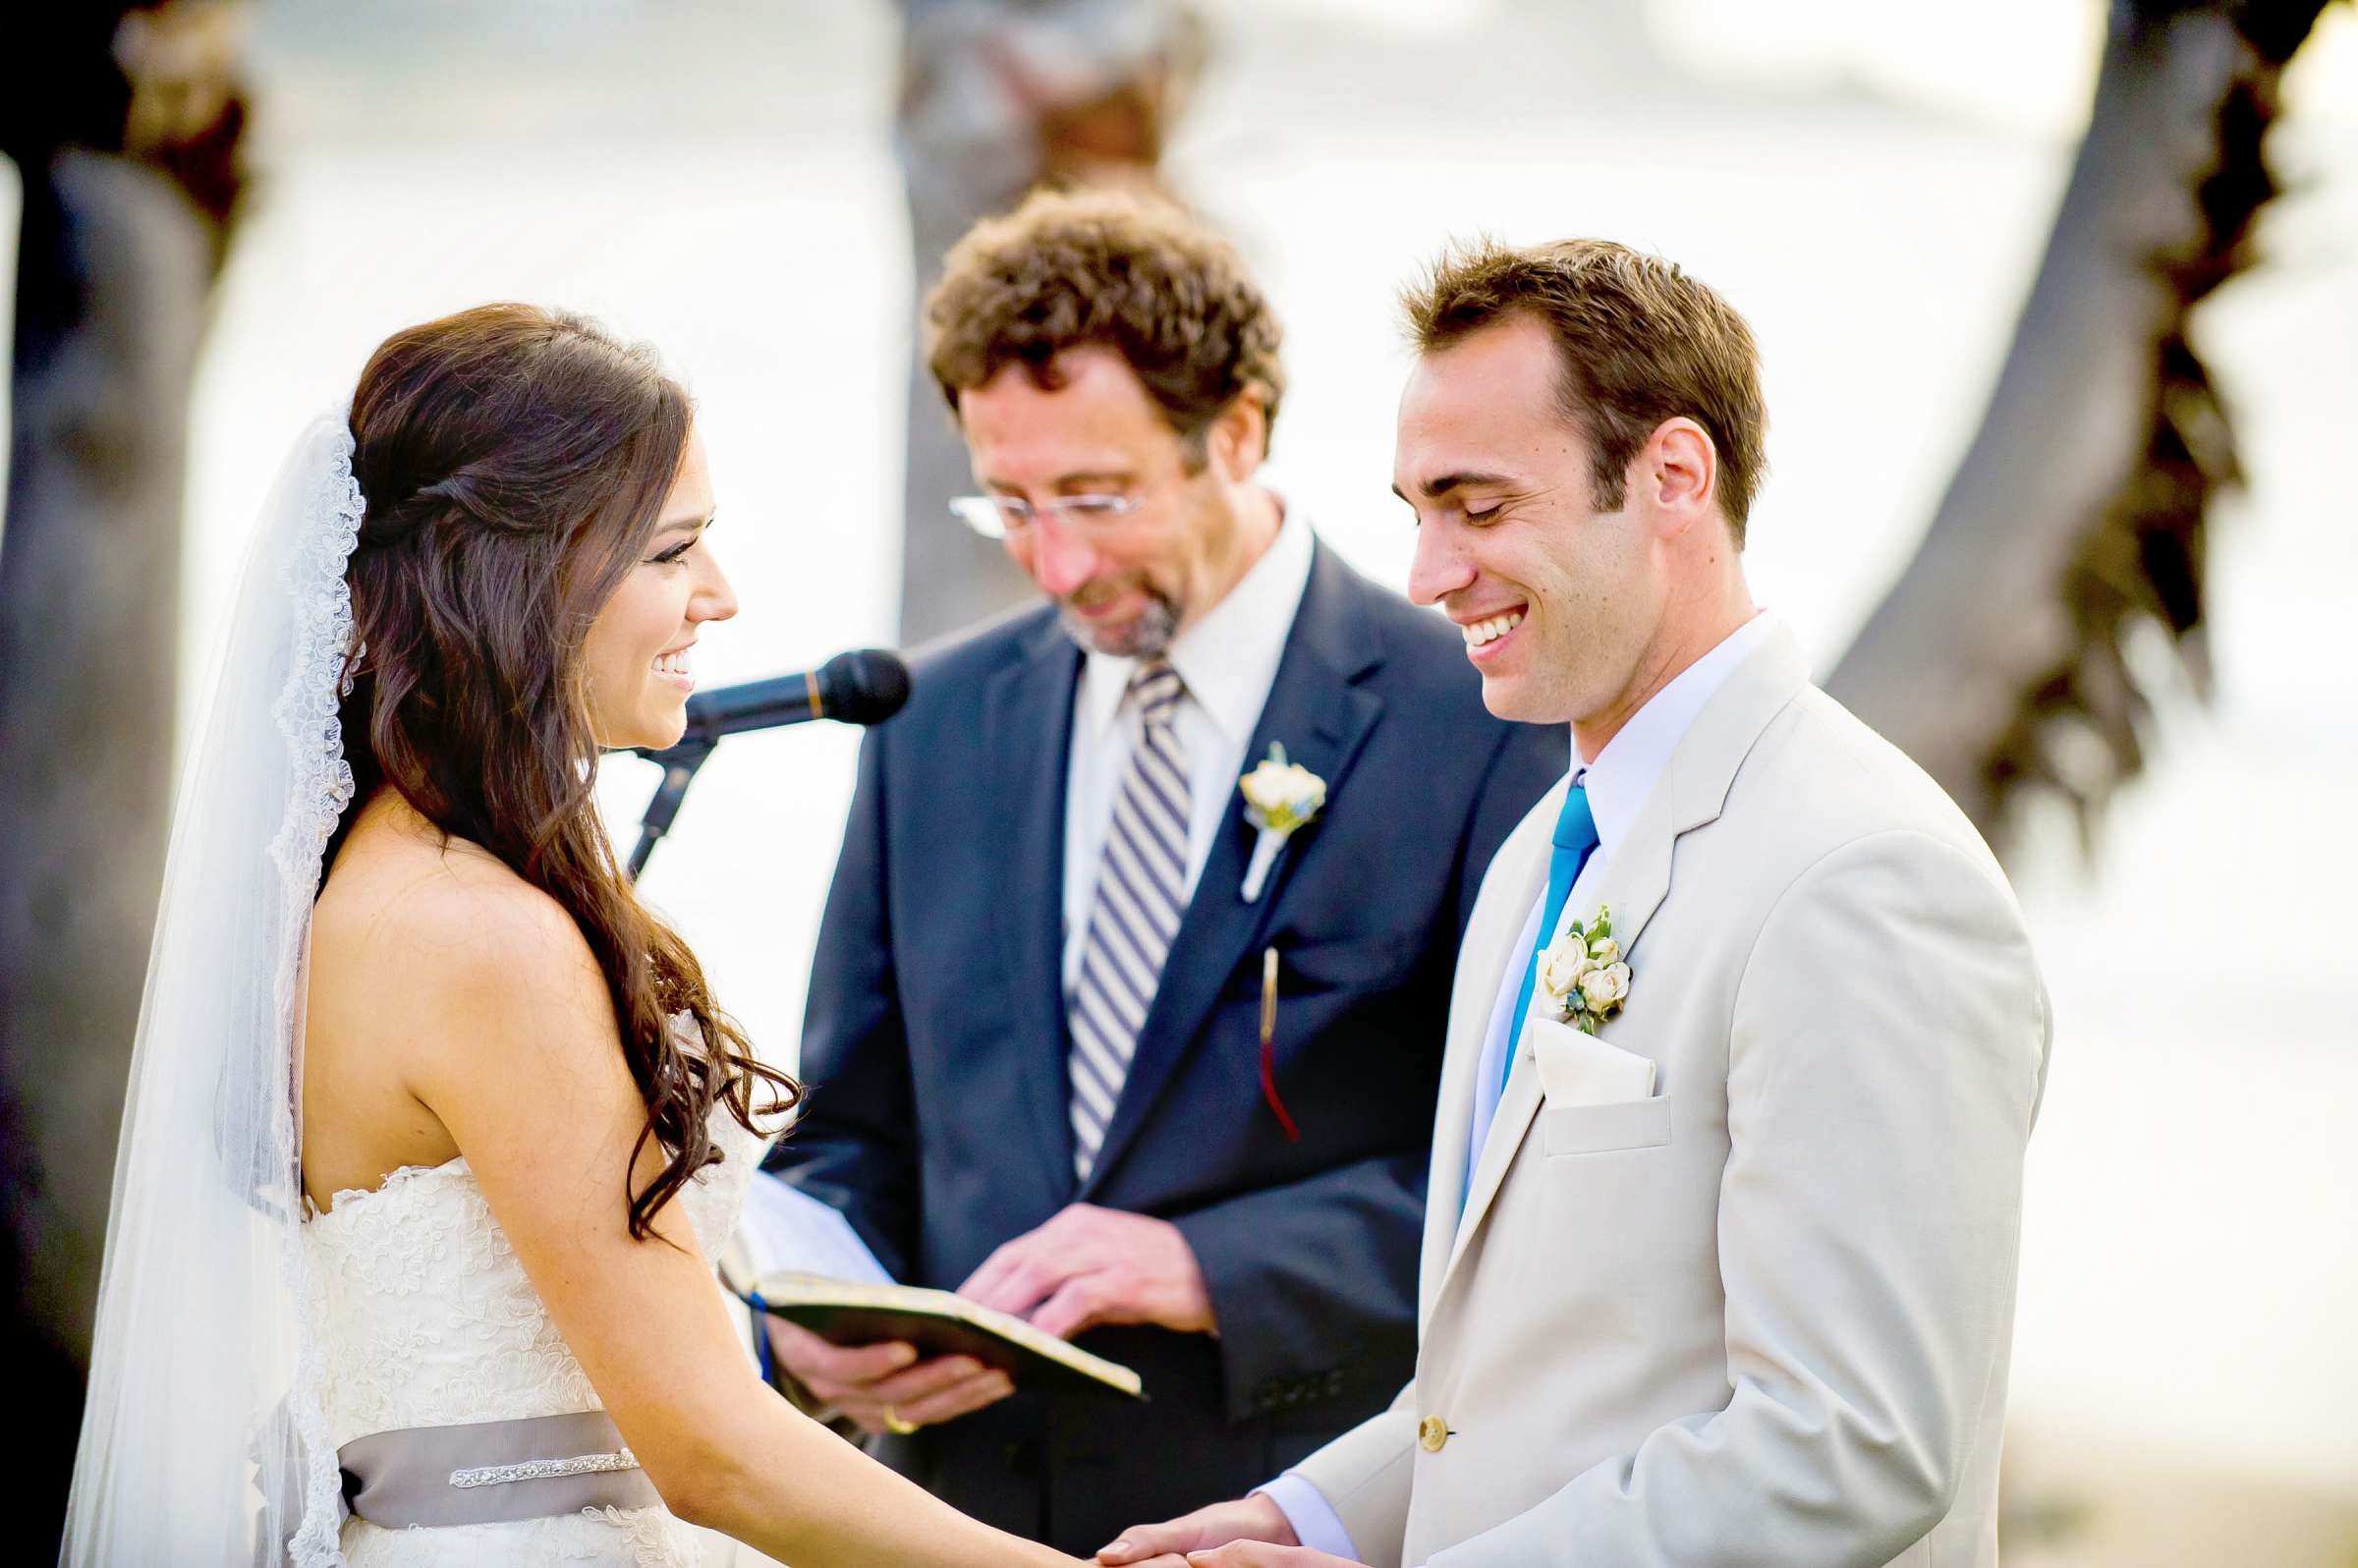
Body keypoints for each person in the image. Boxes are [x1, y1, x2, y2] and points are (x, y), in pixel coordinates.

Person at [63, 304, 1087, 1568]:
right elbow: (713, 1458)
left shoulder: (376, 886)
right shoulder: (479, 940)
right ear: (521, 579)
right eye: (673, 552)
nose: (721, 597)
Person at [1099, 240, 2051, 1568]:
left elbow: (1854, 1446)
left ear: (1672, 476)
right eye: (1415, 512)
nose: (1429, 574)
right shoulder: (1541, 847)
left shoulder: (1860, 880)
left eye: (1478, 508)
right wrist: (1299, 1517)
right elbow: (1505, 1389)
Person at [758, 189, 1565, 1554]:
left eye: (1095, 496)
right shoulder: (930, 727)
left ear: (1237, 429)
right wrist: (799, 1335)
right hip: (954, 1520)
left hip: (1280, 1519)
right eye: (1007, 504)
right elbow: (849, 1134)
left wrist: (1211, 1267)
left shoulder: (1479, 721)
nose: (1055, 562)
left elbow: (1532, 1186)